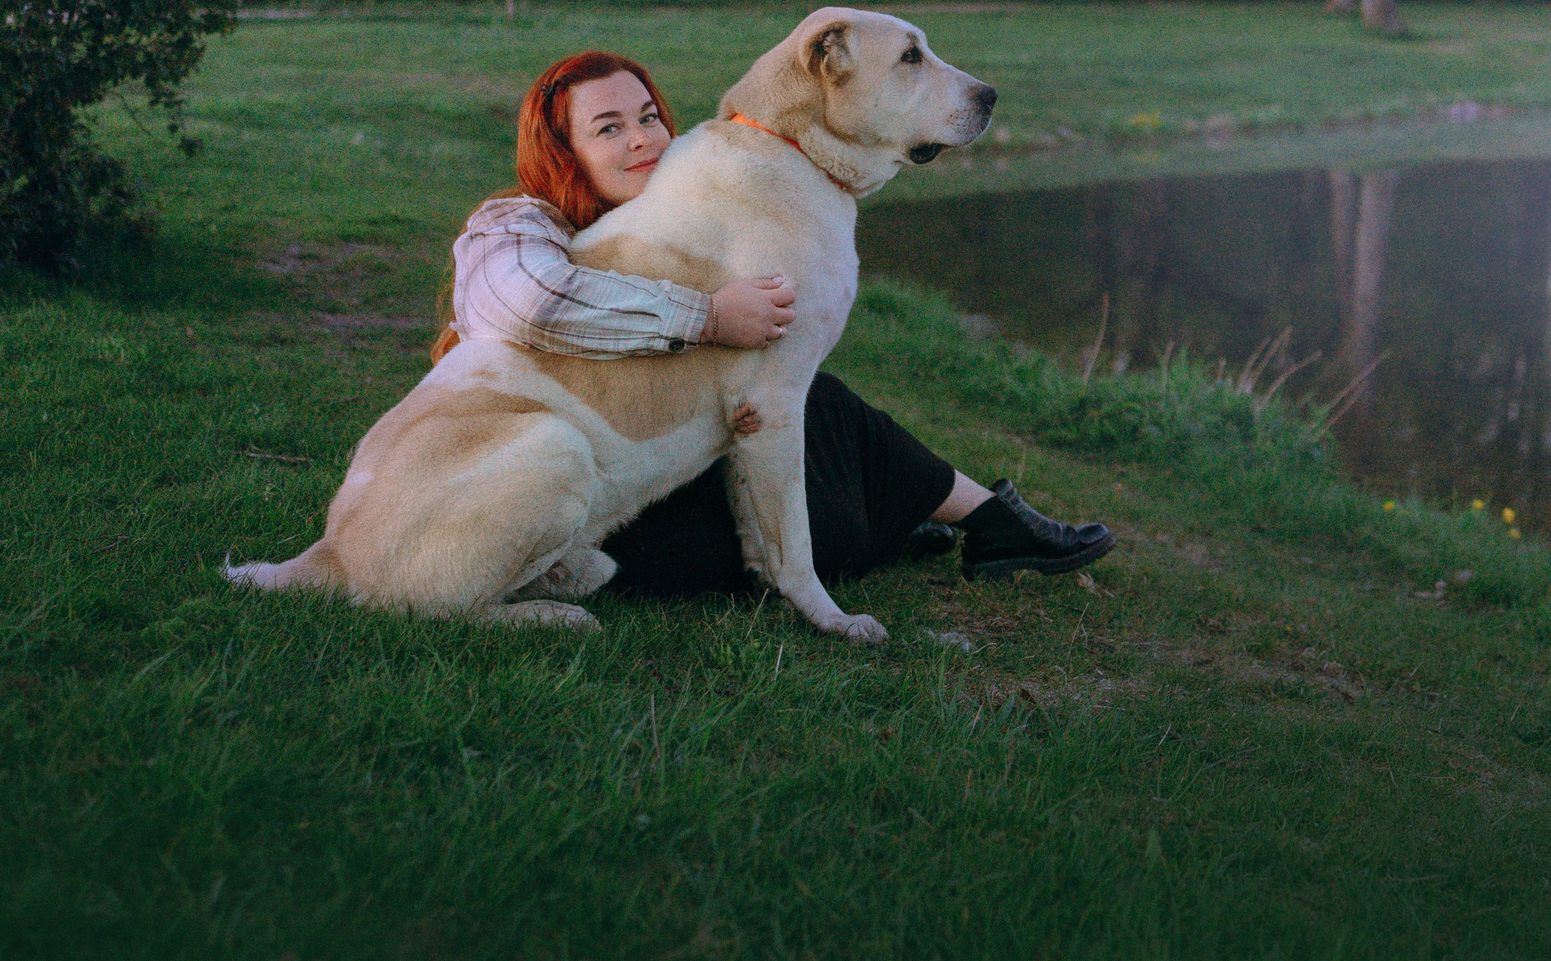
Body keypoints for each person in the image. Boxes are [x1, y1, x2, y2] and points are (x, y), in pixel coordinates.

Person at [433, 49, 1112, 597]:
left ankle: (982, 520)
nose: (642, 138)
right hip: (563, 488)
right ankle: (921, 522)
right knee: (833, 520)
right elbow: (530, 305)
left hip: (656, 454)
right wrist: (706, 316)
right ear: (563, 153)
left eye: (649, 115)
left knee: (803, 389)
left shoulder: (674, 219)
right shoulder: (518, 224)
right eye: (609, 128)